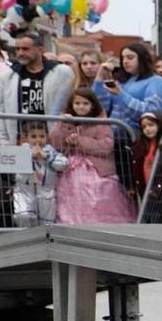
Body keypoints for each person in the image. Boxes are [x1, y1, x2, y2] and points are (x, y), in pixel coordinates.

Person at [53, 90, 136, 224]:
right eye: (77, 103)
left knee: (97, 192)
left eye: (85, 103)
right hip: (70, 167)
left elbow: (106, 146)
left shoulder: (101, 122)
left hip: (97, 169)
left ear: (92, 105)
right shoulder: (65, 119)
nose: (81, 107)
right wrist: (64, 126)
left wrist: (80, 141)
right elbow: (56, 143)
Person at [96, 43, 162, 132]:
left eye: (130, 57)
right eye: (123, 58)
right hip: (113, 136)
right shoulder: (122, 81)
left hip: (137, 137)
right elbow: (101, 106)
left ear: (142, 58)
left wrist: (121, 95)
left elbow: (152, 112)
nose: (125, 61)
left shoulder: (155, 80)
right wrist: (99, 78)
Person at [12, 121, 64, 227]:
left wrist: (46, 157)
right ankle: (27, 242)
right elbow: (16, 173)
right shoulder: (21, 151)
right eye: (34, 136)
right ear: (26, 138)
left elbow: (63, 164)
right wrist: (29, 156)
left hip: (46, 193)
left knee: (47, 224)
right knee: (23, 217)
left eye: (42, 136)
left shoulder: (51, 152)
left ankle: (46, 243)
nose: (38, 139)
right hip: (25, 192)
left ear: (47, 137)